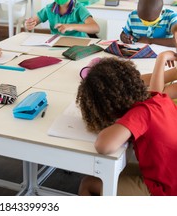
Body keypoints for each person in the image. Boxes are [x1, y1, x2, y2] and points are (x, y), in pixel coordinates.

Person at [76, 57, 177, 196]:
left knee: (88, 183)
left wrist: (115, 124)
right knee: (106, 173)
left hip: (166, 189)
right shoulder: (159, 98)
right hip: (168, 174)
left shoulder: (139, 114)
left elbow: (103, 146)